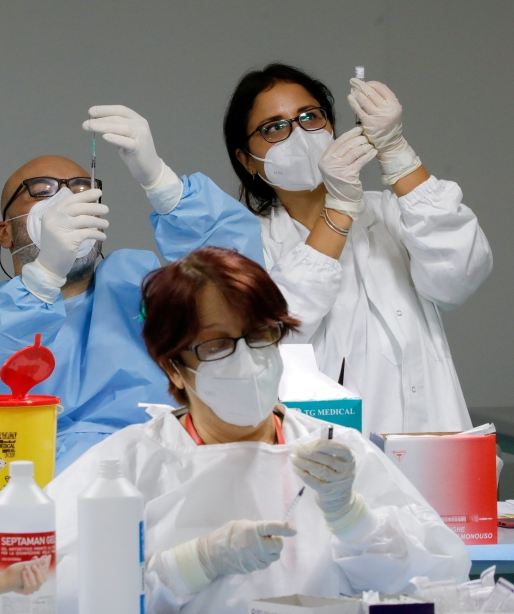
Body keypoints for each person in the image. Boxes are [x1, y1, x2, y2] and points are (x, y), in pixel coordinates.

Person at [45, 247, 470, 614]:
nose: (246, 359)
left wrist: (351, 517)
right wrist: (192, 564)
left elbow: (442, 576)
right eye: (216, 345)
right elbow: (39, 592)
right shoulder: (130, 466)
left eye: (260, 335)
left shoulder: (336, 453)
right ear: (172, 368)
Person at [85, 64, 492, 435]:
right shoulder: (249, 241)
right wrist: (339, 211)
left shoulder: (394, 212)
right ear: (248, 161)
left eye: (309, 117)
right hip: (329, 464)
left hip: (441, 446)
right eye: (274, 127)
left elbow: (460, 275)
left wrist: (398, 154)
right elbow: (276, 326)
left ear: (331, 127)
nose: (299, 134)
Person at [0, 155, 263, 471]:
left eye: (82, 190)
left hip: (149, 489)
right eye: (42, 191)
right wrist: (42, 280)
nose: (66, 201)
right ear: (5, 233)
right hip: (15, 500)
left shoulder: (141, 291)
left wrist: (166, 187)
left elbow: (238, 289)